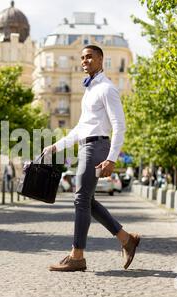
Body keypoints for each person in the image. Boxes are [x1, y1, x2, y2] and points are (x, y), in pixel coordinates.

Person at [42, 45, 140, 272]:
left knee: (80, 199)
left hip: (97, 146)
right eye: (83, 57)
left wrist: (112, 158)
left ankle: (77, 256)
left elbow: (119, 126)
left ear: (100, 60)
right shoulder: (90, 90)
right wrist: (57, 146)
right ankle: (127, 239)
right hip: (87, 144)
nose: (85, 60)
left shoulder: (107, 88)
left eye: (89, 57)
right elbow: (80, 129)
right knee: (87, 200)